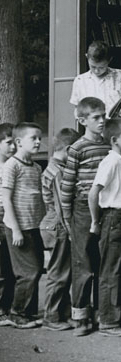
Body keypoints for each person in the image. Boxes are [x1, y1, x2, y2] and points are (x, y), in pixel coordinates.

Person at [59, 96, 109, 336]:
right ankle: (80, 315)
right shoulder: (77, 148)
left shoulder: (109, 145)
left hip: (106, 208)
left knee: (102, 262)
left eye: (103, 116)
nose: (102, 121)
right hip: (81, 209)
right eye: (96, 117)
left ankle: (102, 312)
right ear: (82, 120)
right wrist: (68, 218)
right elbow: (67, 185)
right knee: (83, 263)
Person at [88, 118, 121, 337]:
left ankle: (120, 316)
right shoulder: (110, 162)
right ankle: (108, 320)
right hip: (113, 217)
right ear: (114, 140)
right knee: (111, 270)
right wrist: (95, 221)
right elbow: (94, 193)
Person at [1, 122, 45, 329]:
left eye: (39, 137)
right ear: (18, 142)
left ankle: (28, 312)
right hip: (17, 228)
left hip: (32, 226)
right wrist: (15, 228)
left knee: (35, 269)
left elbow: (37, 196)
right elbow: (6, 199)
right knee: (29, 271)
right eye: (33, 138)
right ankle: (17, 313)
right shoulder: (12, 165)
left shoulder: (36, 167)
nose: (38, 142)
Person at [39, 127, 81, 331]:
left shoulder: (55, 168)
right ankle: (51, 315)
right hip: (59, 224)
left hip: (56, 223)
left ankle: (62, 312)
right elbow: (60, 205)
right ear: (68, 149)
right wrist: (70, 230)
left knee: (65, 270)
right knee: (59, 271)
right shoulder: (58, 172)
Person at [69, 41, 121, 118]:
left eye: (101, 67)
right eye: (93, 67)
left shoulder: (119, 75)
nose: (97, 71)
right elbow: (77, 109)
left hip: (116, 124)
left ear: (109, 60)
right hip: (93, 126)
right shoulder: (80, 81)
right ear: (87, 57)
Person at [0, 122, 17, 326]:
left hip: (11, 218)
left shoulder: (13, 165)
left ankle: (9, 305)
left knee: (10, 265)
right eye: (8, 143)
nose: (12, 147)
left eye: (14, 143)